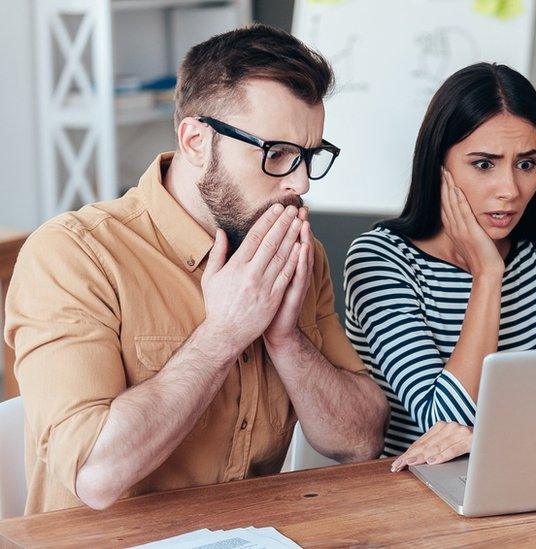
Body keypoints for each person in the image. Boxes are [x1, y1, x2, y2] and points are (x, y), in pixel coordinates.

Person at [4, 24, 388, 514]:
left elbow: (360, 441)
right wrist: (224, 333)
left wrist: (286, 340)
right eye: (278, 154)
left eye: (310, 156)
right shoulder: (73, 255)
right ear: (195, 141)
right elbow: (94, 475)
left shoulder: (294, 250)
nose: (301, 182)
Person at [343, 63, 536, 470]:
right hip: (412, 489)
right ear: (439, 166)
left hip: (513, 472)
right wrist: (488, 275)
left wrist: (493, 439)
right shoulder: (379, 260)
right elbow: (442, 422)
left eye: (526, 164)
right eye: (484, 164)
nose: (510, 190)